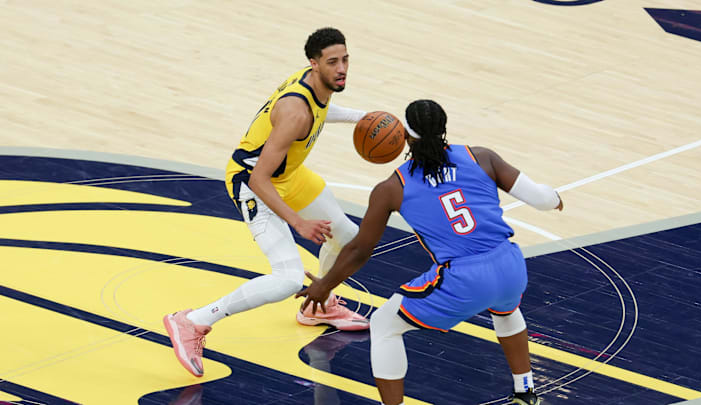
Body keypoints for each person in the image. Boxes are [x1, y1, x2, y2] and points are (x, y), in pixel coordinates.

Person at [296, 99, 563, 405]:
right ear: (444, 129)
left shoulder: (391, 188)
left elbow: (359, 249)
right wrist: (555, 199)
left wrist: (324, 285)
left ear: (405, 137)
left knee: (384, 325)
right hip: (511, 266)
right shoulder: (481, 157)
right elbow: (541, 199)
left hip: (464, 278)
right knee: (506, 310)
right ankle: (525, 392)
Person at [163, 27, 371, 378]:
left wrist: (361, 117)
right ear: (314, 64)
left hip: (287, 175)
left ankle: (317, 306)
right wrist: (298, 222)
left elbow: (322, 112)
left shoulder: (317, 85)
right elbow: (259, 178)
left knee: (347, 237)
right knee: (288, 279)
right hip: (252, 183)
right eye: (333, 62)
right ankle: (192, 322)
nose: (342, 68)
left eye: (345, 60)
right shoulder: (295, 112)